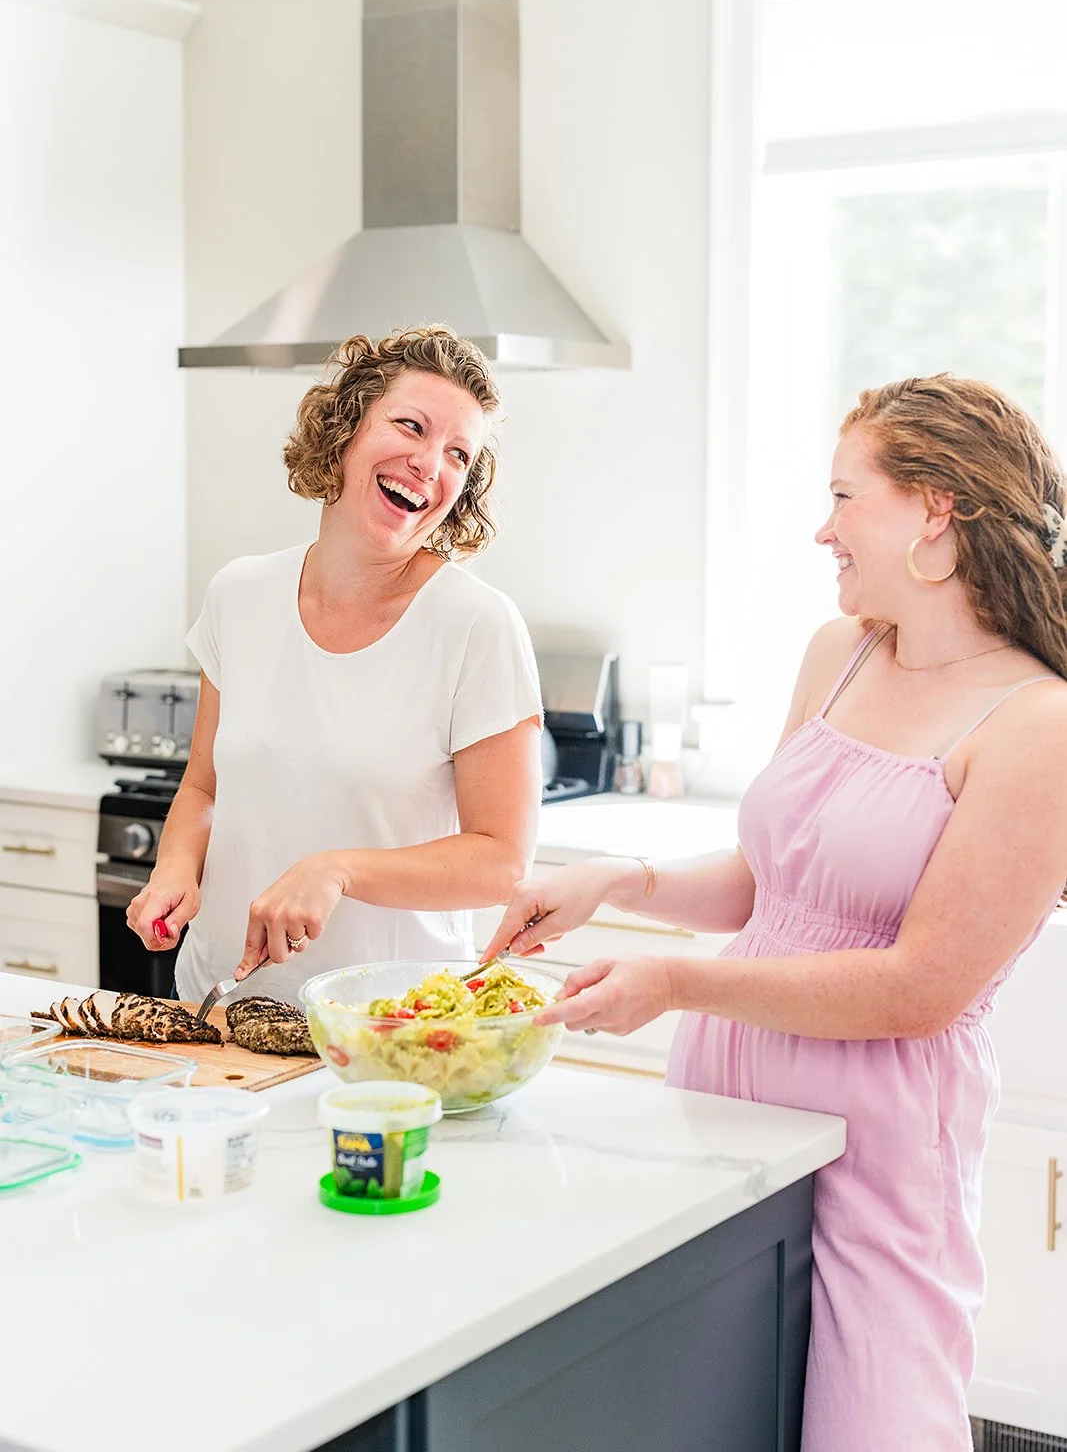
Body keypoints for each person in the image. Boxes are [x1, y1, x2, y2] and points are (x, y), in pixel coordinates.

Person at [484, 372, 1067, 1451]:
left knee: (868, 1427)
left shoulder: (1037, 724)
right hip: (720, 1102)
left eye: (844, 497)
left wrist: (677, 981)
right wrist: (621, 883)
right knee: (705, 1413)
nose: (821, 529)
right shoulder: (833, 653)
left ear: (933, 510)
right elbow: (770, 882)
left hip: (880, 1144)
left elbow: (918, 986)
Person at [127, 324, 543, 1004]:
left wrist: (339, 870)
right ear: (344, 429)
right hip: (219, 1000)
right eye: (409, 426)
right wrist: (176, 866)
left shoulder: (476, 626)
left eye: (457, 456)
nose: (428, 463)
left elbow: (500, 860)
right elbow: (204, 788)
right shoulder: (239, 593)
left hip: (385, 1023)